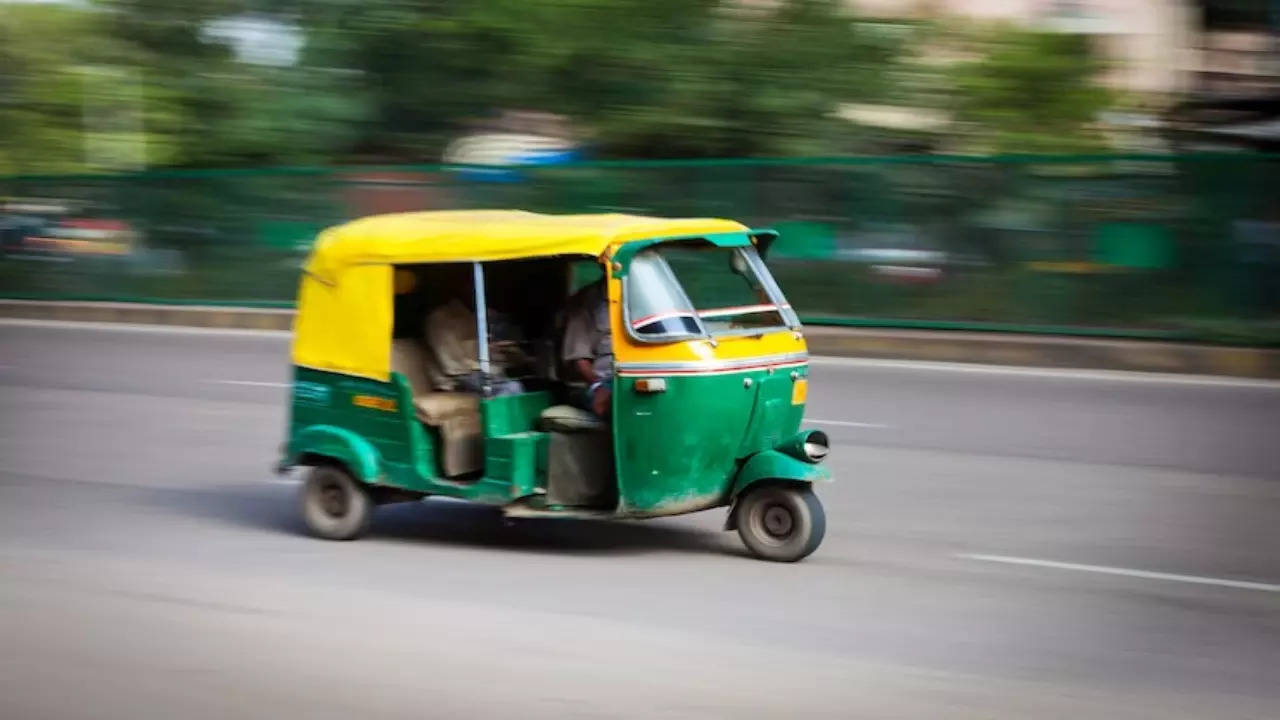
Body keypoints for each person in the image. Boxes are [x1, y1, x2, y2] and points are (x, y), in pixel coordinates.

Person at [561, 278, 612, 418]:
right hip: (602, 381)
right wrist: (598, 387)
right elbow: (580, 360)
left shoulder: (646, 294)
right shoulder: (585, 301)